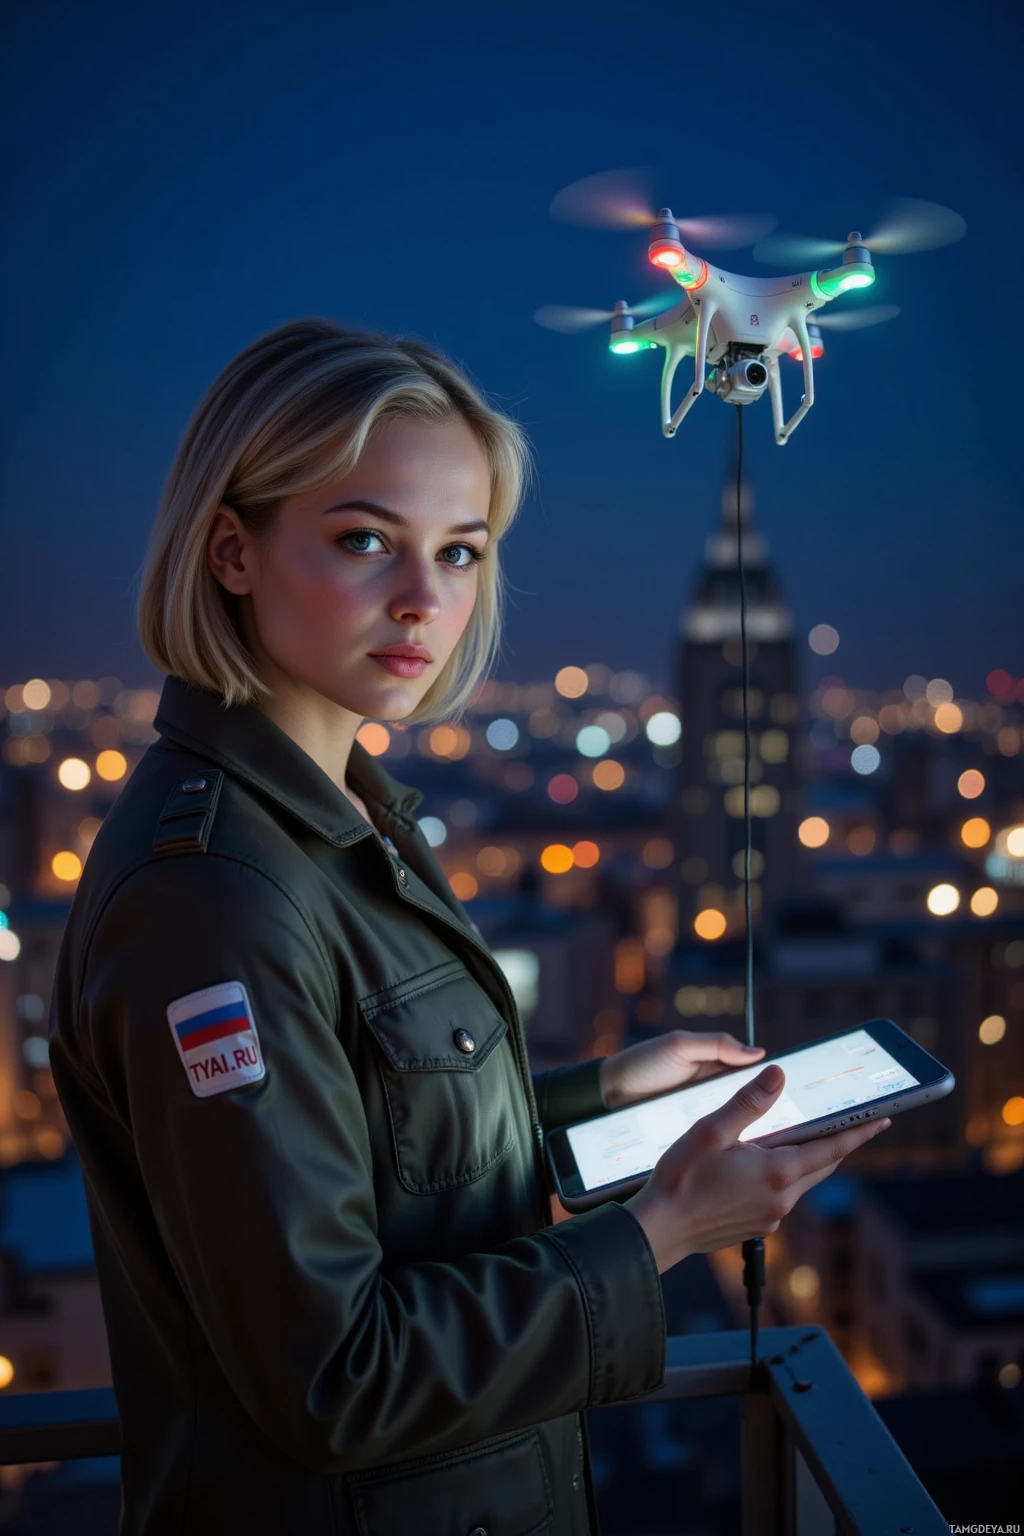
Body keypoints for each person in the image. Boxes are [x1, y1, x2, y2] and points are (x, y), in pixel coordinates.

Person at [48, 318, 890, 1536]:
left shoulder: (338, 815)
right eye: (363, 541)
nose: (420, 601)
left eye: (459, 552)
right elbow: (334, 1379)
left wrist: (604, 1092)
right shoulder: (216, 894)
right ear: (230, 551)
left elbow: (364, 1149)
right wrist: (665, 1230)